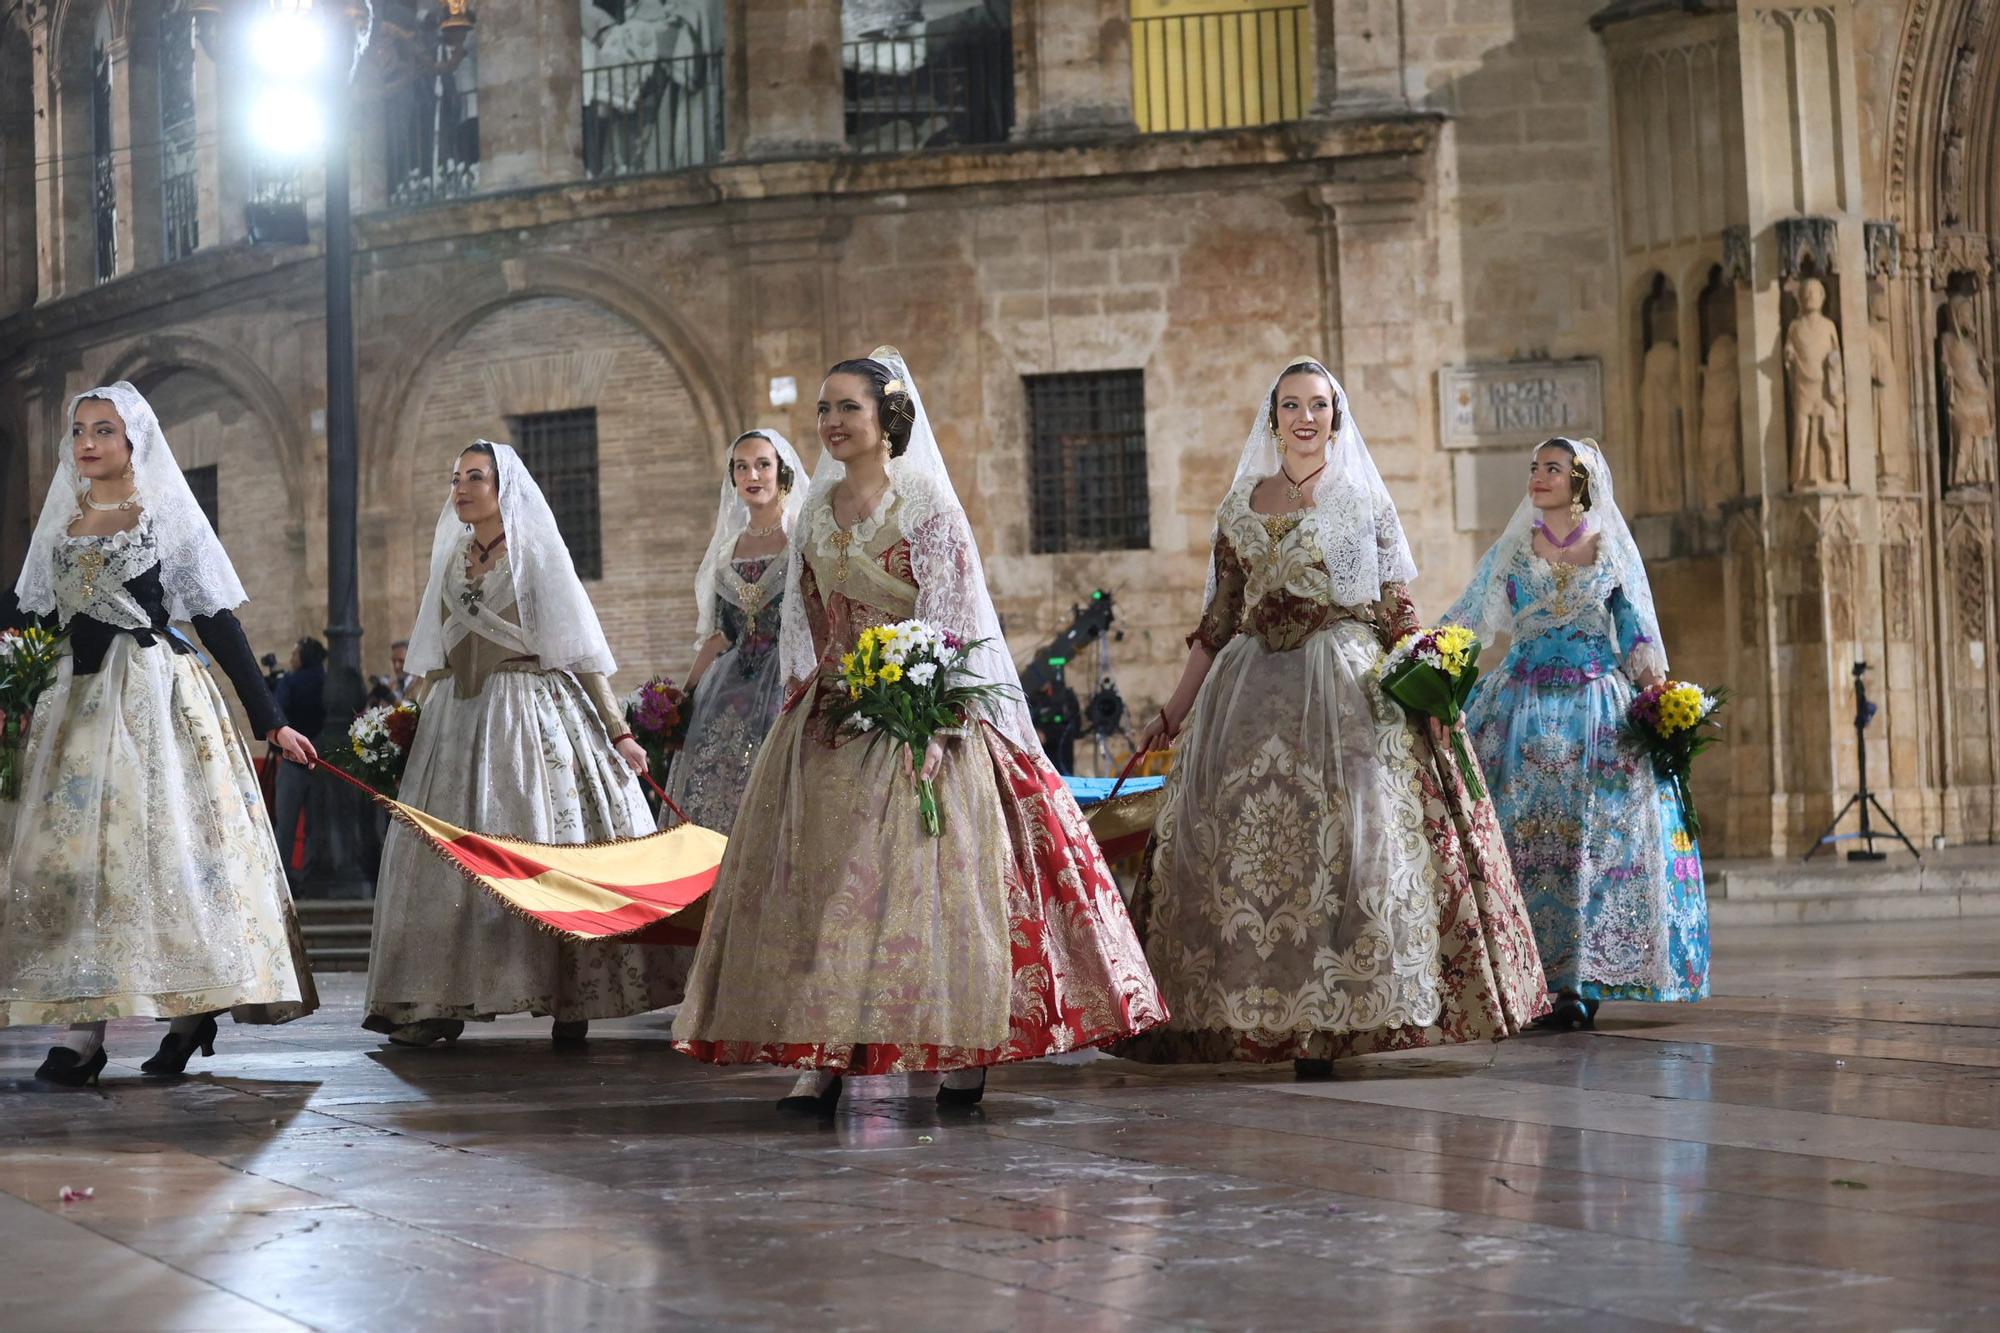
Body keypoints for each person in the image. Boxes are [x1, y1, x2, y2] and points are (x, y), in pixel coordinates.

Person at [671, 348, 1167, 1113]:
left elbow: (954, 620)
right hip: (830, 718)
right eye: (825, 410)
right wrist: (804, 702)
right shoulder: (813, 517)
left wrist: (926, 714)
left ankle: (961, 1047)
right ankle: (824, 1053)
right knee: (820, 887)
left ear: (886, 418)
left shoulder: (927, 505)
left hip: (919, 715)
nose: (833, 423)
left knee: (930, 891)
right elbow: (806, 622)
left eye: (848, 408)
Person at [1119, 358, 1548, 1076]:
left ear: (1335, 417)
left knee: (1355, 844)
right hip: (1247, 694)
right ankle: (1261, 1018)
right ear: (1274, 418)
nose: (1305, 417)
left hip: (1345, 685)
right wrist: (1174, 709)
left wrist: (1431, 685)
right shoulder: (1240, 508)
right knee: (1244, 853)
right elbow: (1218, 621)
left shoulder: (1363, 502)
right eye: (1291, 405)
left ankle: (1336, 1016)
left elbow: (1396, 610)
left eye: (1318, 404)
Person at [2, 382, 319, 1085]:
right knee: (74, 864)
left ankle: (188, 1012)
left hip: (150, 697)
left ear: (133, 440)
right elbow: (31, 618)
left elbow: (216, 621)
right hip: (74, 709)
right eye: (79, 429)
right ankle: (82, 1031)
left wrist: (272, 720)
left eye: (104, 429)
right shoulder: (61, 520)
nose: (87, 441)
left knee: (167, 855)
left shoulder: (163, 515)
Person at [363, 441, 683, 1047]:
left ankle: (570, 993)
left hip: (531, 713)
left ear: (502, 486)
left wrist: (617, 729)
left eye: (474, 478)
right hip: (455, 721)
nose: (460, 488)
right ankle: (437, 998)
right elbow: (434, 653)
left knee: (546, 846)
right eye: (455, 478)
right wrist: (410, 718)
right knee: (448, 860)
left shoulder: (536, 552)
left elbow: (581, 650)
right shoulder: (451, 556)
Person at [1443, 437, 1709, 1028]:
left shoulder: (1610, 551)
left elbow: (1637, 634)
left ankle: (1580, 984)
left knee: (1589, 846)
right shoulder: (1514, 552)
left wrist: (1660, 699)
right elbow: (1466, 620)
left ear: (1580, 482)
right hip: (1519, 711)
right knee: (1519, 845)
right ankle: (1524, 977)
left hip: (1596, 715)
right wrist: (1431, 664)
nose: (1539, 477)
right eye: (1535, 469)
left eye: (1553, 469)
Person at [664, 429, 806, 830]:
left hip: (785, 682)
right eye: (742, 467)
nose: (753, 475)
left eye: (763, 464)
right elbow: (718, 635)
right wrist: (684, 696)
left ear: (783, 473)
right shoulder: (725, 553)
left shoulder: (802, 541)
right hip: (726, 689)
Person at [269, 636, 327, 888]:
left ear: (303, 657)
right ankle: (310, 876)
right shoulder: (328, 681)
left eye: (294, 654)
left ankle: (284, 881)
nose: (291, 659)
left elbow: (276, 712)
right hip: (323, 763)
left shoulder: (291, 682)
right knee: (317, 825)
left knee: (286, 825)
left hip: (293, 761)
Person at [388, 638, 415, 703]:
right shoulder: (391, 685)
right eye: (394, 661)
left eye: (401, 661)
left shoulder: (421, 684)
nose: (396, 666)